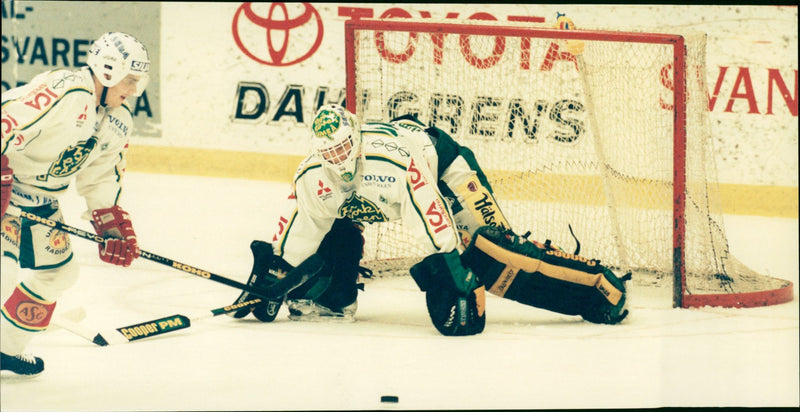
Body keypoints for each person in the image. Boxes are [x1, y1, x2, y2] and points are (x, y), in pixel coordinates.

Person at [230, 104, 629, 336]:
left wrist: (449, 261)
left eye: (344, 148)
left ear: (356, 136)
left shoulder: (392, 164)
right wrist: (276, 279)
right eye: (329, 153)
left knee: (493, 251)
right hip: (399, 179)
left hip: (442, 166)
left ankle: (597, 290)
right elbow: (301, 230)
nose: (338, 159)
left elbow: (431, 221)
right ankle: (335, 300)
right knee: (333, 232)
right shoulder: (312, 176)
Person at [1, 32, 149, 376]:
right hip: (8, 192)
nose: (133, 91)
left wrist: (110, 225)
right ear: (109, 71)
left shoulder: (118, 120)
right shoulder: (67, 90)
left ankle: (5, 347)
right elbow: (6, 115)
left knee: (60, 273)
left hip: (42, 202)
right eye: (130, 80)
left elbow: (100, 176)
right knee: (3, 272)